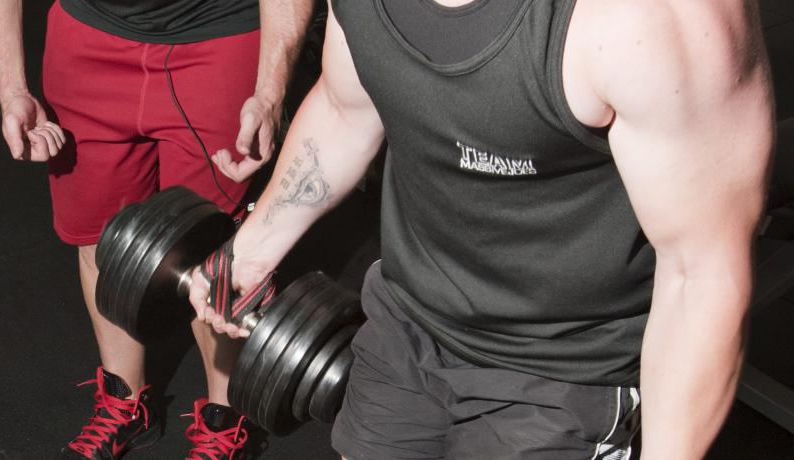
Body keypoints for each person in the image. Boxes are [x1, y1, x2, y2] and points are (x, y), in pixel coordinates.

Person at [189, 0, 774, 458]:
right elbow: (349, 107)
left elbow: (702, 271)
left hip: (561, 365)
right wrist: (251, 249)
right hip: (406, 315)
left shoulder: (650, 18)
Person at [0, 0, 314, 458]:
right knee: (104, 241)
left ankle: (224, 422)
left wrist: (269, 91)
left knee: (217, 252)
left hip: (219, 40)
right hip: (89, 41)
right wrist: (11, 89)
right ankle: (125, 403)